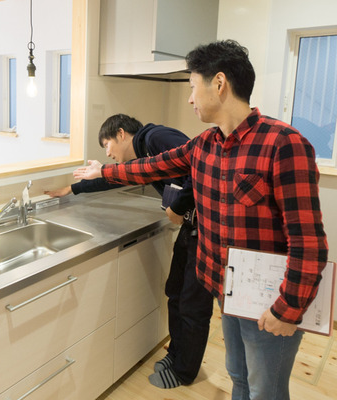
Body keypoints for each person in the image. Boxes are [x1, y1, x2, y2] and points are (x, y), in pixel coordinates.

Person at [73, 39, 328, 400]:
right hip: (229, 291)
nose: (190, 99)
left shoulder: (284, 144)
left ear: (219, 83)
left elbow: (308, 242)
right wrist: (102, 172)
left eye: (193, 86)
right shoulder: (204, 144)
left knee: (266, 391)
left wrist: (289, 308)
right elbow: (149, 167)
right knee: (239, 377)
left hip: (270, 299)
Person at [45, 114, 214, 389]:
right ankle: (177, 354)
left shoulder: (157, 137)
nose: (108, 154)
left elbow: (200, 169)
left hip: (206, 230)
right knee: (175, 293)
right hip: (189, 226)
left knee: (193, 305)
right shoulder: (142, 156)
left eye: (107, 145)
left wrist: (178, 206)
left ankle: (184, 371)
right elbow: (116, 178)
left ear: (121, 134)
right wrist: (73, 189)